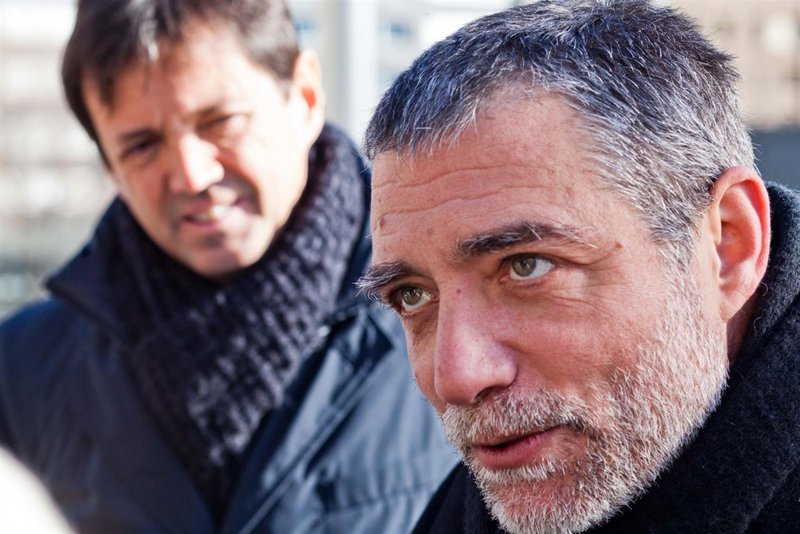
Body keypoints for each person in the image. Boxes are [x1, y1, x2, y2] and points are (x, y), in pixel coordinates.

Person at [0, 0, 455, 532]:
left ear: (305, 97)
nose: (191, 174)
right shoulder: (21, 375)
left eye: (221, 122)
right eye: (142, 145)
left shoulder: (452, 324)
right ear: (109, 164)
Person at [359, 1, 800, 532]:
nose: (456, 377)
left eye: (526, 266)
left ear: (729, 246)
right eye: (411, 295)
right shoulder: (459, 512)